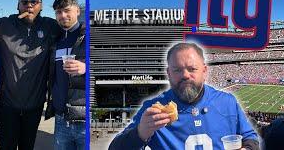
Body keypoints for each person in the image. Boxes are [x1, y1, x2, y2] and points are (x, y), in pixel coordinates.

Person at [109, 42, 259, 150]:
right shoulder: (153, 110)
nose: (185, 75)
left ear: (204, 71)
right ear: (168, 74)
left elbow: (250, 138)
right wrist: (140, 133)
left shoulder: (227, 102)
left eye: (192, 68)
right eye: (177, 70)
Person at [0, 0, 60, 150]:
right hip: (7, 105)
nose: (29, 5)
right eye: (25, 1)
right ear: (18, 5)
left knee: (27, 146)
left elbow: (74, 33)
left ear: (41, 5)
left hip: (35, 106)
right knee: (7, 146)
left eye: (34, 1)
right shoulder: (3, 25)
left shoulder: (51, 26)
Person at [45, 0, 86, 150]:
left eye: (67, 10)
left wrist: (86, 68)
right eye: (58, 12)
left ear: (77, 10)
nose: (62, 15)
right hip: (61, 118)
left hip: (84, 119)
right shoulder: (56, 40)